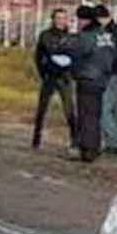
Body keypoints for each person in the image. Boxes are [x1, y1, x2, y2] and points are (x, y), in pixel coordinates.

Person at [69, 3, 115, 163]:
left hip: (87, 78)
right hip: (102, 79)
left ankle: (87, 150)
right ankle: (94, 147)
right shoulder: (106, 36)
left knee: (86, 115)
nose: (78, 23)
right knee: (95, 115)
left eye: (79, 20)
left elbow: (75, 52)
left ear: (85, 20)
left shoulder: (86, 37)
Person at [31, 8, 77, 149]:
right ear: (53, 19)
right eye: (58, 18)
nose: (61, 21)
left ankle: (75, 139)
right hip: (49, 76)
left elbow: (75, 57)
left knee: (69, 109)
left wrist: (72, 73)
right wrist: (42, 72)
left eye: (63, 18)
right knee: (42, 109)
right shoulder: (45, 35)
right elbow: (39, 56)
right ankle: (36, 138)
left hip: (65, 78)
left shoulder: (71, 37)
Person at [97, 4, 117, 155]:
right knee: (115, 109)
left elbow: (115, 54)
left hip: (114, 74)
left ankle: (114, 142)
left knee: (104, 108)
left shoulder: (113, 33)